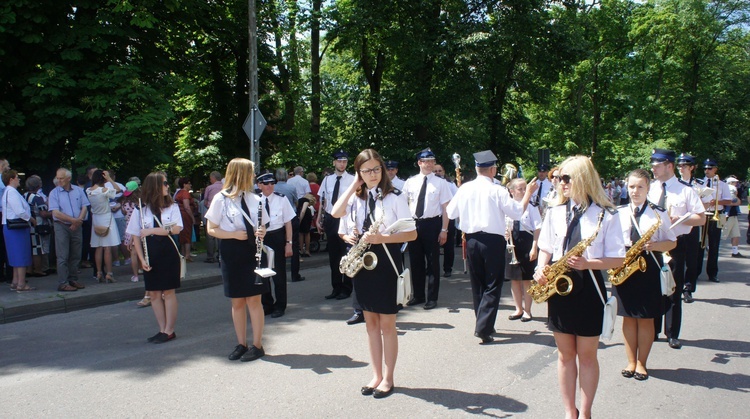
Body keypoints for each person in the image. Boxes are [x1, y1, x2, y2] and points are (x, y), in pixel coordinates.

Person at [532, 155, 625, 419]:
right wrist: (541, 268)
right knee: (564, 355)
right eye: (558, 178)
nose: (559, 183)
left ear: (582, 179)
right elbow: (546, 247)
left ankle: (585, 412)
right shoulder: (555, 211)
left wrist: (589, 263)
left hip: (590, 286)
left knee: (586, 355)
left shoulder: (606, 215)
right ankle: (568, 412)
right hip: (560, 288)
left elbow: (618, 257)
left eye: (565, 178)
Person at [331, 148, 416, 398]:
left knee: (387, 324)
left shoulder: (394, 197)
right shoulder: (357, 198)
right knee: (370, 324)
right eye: (366, 170)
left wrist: (383, 238)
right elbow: (336, 213)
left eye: (376, 169)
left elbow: (412, 234)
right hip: (363, 264)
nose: (372, 174)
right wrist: (354, 185)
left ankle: (388, 378)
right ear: (359, 172)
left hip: (387, 262)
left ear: (382, 169)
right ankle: (376, 374)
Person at [446, 150, 537, 343]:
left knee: (477, 283)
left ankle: (483, 322)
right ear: (493, 169)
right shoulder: (497, 190)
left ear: (478, 168)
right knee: (492, 284)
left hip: (471, 240)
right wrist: (527, 194)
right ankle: (484, 327)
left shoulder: (465, 189)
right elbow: (516, 213)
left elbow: (451, 212)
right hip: (493, 241)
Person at [613, 169, 676, 382]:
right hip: (624, 268)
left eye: (640, 186)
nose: (635, 191)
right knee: (628, 316)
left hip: (649, 266)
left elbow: (672, 241)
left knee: (646, 318)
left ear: (648, 188)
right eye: (631, 186)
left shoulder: (658, 213)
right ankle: (630, 361)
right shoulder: (618, 212)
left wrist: (656, 245)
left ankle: (642, 363)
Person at [206, 158, 270, 362]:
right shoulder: (220, 199)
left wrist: (262, 231)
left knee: (254, 299)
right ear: (241, 174)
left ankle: (257, 345)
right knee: (237, 301)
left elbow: (264, 225)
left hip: (253, 251)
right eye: (250, 173)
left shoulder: (256, 198)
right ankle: (241, 343)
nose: (253, 177)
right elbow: (211, 228)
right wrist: (233, 235)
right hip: (232, 251)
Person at [648, 149, 705, 350]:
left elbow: (701, 217)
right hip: (654, 244)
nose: (653, 168)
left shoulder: (685, 190)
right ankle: (652, 330)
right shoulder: (650, 188)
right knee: (653, 287)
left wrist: (679, 219)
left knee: (673, 287)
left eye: (657, 165)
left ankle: (672, 333)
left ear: (669, 166)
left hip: (676, 243)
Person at [126, 172, 183, 343]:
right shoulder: (140, 209)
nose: (167, 186)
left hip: (167, 251)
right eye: (164, 183)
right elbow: (135, 235)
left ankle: (170, 330)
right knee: (154, 294)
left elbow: (176, 229)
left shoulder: (172, 206)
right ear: (155, 187)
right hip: (150, 252)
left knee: (169, 292)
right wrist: (142, 260)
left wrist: (151, 230)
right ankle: (162, 329)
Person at [402, 148, 453, 310]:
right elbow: (403, 205)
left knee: (432, 263)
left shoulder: (440, 183)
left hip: (432, 224)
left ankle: (432, 298)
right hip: (414, 224)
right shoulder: (410, 182)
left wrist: (444, 230)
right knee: (415, 261)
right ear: (419, 163)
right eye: (426, 161)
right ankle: (418, 295)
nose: (430, 164)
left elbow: (446, 208)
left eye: (432, 161)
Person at [257, 172, 296, 318]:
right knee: (263, 274)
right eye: (266, 184)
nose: (270, 186)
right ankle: (267, 304)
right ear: (259, 185)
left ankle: (280, 305)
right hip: (261, 238)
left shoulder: (281, 199)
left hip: (277, 236)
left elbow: (288, 222)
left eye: (272, 183)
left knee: (278, 274)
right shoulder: (255, 199)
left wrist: (289, 243)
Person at [318, 150, 356, 300]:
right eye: (339, 161)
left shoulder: (352, 179)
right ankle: (336, 287)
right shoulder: (327, 180)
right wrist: (319, 218)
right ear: (334, 162)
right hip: (331, 219)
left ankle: (347, 288)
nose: (342, 164)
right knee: (333, 256)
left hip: (345, 218)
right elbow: (323, 201)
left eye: (345, 161)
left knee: (346, 253)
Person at [504, 178, 542, 323]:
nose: (524, 191)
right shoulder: (507, 205)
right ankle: (518, 309)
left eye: (525, 188)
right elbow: (503, 223)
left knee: (527, 279)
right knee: (514, 279)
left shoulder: (531, 207)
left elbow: (537, 228)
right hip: (512, 244)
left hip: (526, 243)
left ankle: (528, 310)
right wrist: (505, 233)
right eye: (520, 189)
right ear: (511, 191)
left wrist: (534, 247)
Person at [49, 168, 90, 292]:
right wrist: (74, 221)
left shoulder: (78, 190)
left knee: (76, 253)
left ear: (69, 178)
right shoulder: (54, 193)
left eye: (61, 178)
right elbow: (55, 212)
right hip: (62, 225)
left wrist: (78, 220)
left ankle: (73, 279)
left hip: (77, 225)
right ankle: (63, 282)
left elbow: (84, 206)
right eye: (58, 178)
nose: (59, 180)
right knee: (62, 255)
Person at [676, 153, 705, 303]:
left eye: (684, 166)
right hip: (677, 224)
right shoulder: (674, 184)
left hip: (692, 223)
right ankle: (675, 285)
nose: (681, 168)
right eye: (679, 165)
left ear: (692, 167)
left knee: (692, 258)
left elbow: (708, 203)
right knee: (675, 256)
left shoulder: (699, 185)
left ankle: (688, 288)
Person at [2, 170, 36, 292]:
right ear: (11, 179)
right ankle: (21, 283)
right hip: (17, 228)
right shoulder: (12, 192)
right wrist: (31, 218)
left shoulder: (7, 192)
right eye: (17, 177)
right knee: (21, 255)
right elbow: (19, 211)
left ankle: (15, 281)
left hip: (10, 227)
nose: (19, 179)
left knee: (15, 256)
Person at [86, 170, 122, 283]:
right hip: (106, 218)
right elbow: (119, 190)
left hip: (96, 219)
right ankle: (109, 273)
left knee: (98, 247)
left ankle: (99, 272)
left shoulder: (89, 191)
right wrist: (110, 179)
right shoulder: (103, 190)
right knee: (107, 247)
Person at [24, 175, 52, 277]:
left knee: (31, 248)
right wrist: (54, 213)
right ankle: (38, 269)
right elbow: (43, 213)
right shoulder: (37, 198)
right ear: (38, 185)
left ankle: (29, 269)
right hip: (39, 225)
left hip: (28, 225)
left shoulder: (24, 195)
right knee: (38, 248)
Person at [434, 163, 458, 277]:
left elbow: (457, 199)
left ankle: (447, 268)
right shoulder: (429, 184)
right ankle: (432, 268)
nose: (437, 173)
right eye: (435, 171)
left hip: (448, 217)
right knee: (433, 245)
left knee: (448, 245)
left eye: (440, 171)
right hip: (435, 218)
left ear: (443, 172)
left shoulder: (450, 184)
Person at [203, 171, 223, 263]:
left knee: (210, 235)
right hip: (223, 214)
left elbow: (205, 201)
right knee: (221, 234)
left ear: (213, 178)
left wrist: (208, 207)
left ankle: (210, 256)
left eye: (211, 178)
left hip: (212, 212)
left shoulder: (209, 188)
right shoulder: (225, 187)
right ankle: (220, 255)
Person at [723, 176, 745, 257]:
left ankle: (735, 252)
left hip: (734, 215)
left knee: (736, 235)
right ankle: (710, 249)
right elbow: (726, 203)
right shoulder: (725, 190)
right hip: (727, 216)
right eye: (734, 182)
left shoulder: (733, 189)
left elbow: (738, 202)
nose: (736, 184)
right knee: (722, 235)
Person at [175, 177, 196, 262]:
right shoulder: (185, 194)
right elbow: (187, 207)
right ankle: (187, 255)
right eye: (189, 183)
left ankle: (183, 254)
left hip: (179, 215)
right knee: (187, 234)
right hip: (185, 215)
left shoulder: (178, 193)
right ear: (184, 184)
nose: (190, 185)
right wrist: (192, 217)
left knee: (182, 234)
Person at [298, 193, 316, 257]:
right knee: (307, 233)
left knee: (301, 233)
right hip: (305, 218)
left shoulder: (299, 200)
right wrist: (300, 219)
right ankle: (307, 250)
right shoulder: (306, 201)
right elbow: (303, 211)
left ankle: (301, 250)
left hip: (302, 218)